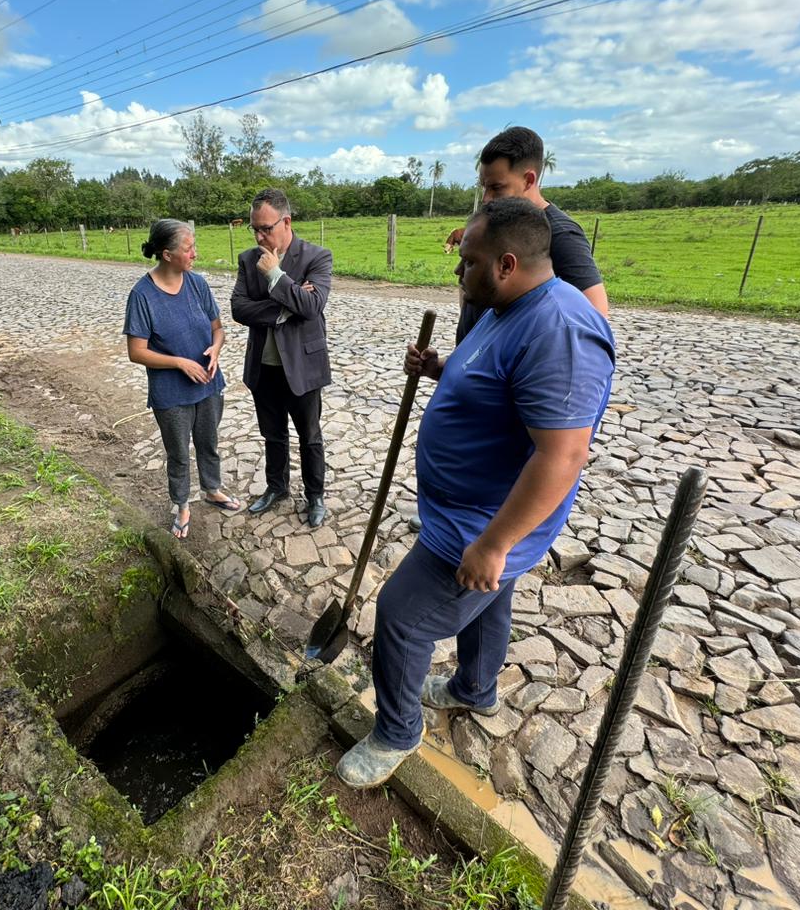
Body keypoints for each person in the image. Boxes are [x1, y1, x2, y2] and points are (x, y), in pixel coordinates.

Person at [336, 198, 615, 788]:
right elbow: (496, 383)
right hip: (470, 512)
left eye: (468, 262)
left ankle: (396, 732)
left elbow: (562, 454)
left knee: (402, 619)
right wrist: (440, 370)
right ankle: (475, 689)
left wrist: (494, 544)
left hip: (483, 523)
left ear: (507, 263)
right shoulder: (506, 305)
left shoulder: (558, 330)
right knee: (489, 602)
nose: (458, 272)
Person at [409, 125, 608, 534]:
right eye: (484, 188)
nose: (487, 199)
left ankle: (497, 533)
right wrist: (449, 368)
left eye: (497, 188)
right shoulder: (500, 225)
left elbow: (590, 316)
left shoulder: (559, 236)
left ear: (529, 179)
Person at [124, 219, 240, 539]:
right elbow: (137, 351)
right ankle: (182, 503)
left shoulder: (197, 284)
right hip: (171, 392)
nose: (194, 253)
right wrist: (178, 363)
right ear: (166, 254)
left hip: (209, 382)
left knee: (209, 442)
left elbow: (218, 329)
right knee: (178, 452)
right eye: (188, 248)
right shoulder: (142, 295)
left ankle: (212, 489)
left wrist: (216, 350)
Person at [231, 188, 333, 528]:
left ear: (286, 222)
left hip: (303, 367)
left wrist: (275, 274)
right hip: (264, 367)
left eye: (266, 228)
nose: (260, 236)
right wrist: (284, 308)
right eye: (254, 229)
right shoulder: (247, 259)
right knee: (272, 433)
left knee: (310, 436)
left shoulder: (316, 257)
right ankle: (277, 487)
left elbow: (312, 306)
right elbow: (238, 308)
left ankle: (315, 495)